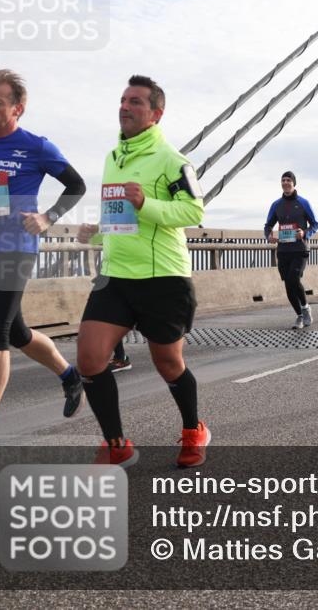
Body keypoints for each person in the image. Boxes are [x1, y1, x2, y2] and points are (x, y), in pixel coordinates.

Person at [75, 74, 208, 468]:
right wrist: (97, 234)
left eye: (135, 101)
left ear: (155, 114)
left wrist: (147, 203)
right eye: (122, 99)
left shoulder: (174, 160)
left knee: (168, 363)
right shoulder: (112, 158)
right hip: (116, 275)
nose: (125, 106)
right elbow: (121, 219)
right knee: (89, 358)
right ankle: (117, 444)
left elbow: (194, 211)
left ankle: (193, 429)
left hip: (162, 277)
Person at [0, 69, 87, 464]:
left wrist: (47, 218)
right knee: (17, 332)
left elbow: (77, 185)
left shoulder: (36, 146)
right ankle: (70, 375)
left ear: (18, 108)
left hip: (17, 247)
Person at [265, 171, 318, 330]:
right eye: (283, 180)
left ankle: (305, 307)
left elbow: (315, 224)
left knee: (293, 279)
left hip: (300, 249)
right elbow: (268, 225)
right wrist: (268, 236)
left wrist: (305, 233)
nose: (285, 183)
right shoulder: (276, 204)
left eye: (288, 180)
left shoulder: (303, 202)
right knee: (288, 285)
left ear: (294, 183)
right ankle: (300, 315)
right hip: (283, 250)